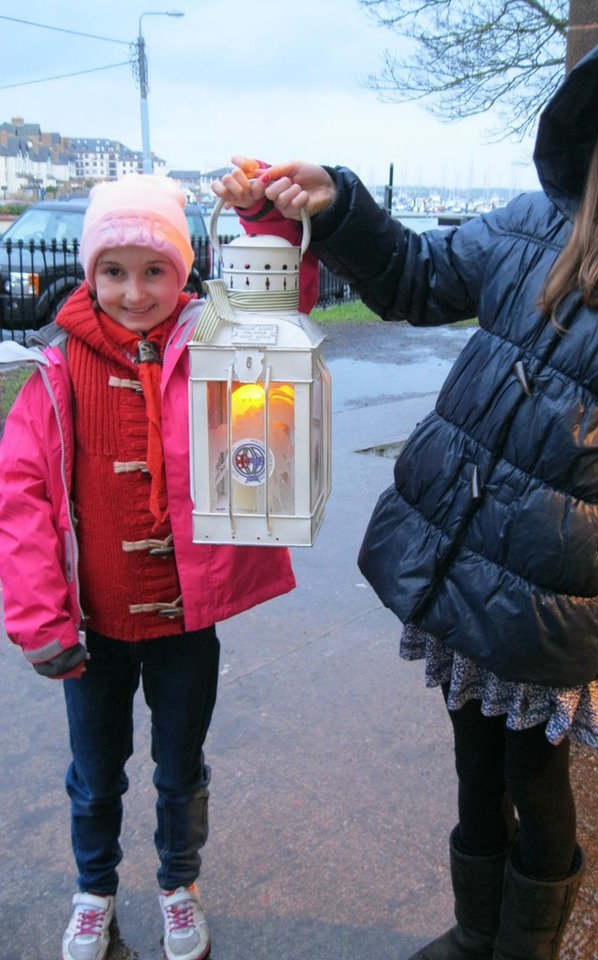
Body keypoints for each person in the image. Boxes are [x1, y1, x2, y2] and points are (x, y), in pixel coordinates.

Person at [212, 12, 598, 960]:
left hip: (553, 602)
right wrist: (338, 201)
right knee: (472, 763)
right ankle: (474, 930)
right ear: (593, 116)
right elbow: (417, 278)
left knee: (536, 778)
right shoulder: (529, 225)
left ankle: (523, 947)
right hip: (461, 562)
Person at [0, 173, 317, 960]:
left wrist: (266, 217)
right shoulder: (55, 370)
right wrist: (38, 617)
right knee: (94, 776)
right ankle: (94, 891)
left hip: (184, 620)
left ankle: (179, 885)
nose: (135, 292)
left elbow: (285, 303)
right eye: (114, 271)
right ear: (90, 273)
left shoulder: (218, 342)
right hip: (92, 630)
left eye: (154, 271)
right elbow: (20, 499)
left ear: (185, 272)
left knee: (180, 770)